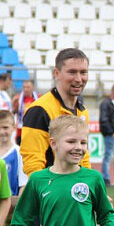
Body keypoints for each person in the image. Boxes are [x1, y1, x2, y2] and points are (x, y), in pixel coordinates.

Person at [21, 48, 92, 176]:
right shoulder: (40, 110)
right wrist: (47, 187)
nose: (78, 79)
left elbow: (84, 158)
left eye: (83, 72)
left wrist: (88, 182)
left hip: (74, 185)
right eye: (72, 72)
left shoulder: (82, 112)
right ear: (57, 73)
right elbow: (33, 162)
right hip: (50, 186)